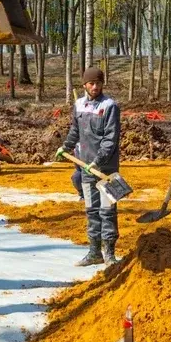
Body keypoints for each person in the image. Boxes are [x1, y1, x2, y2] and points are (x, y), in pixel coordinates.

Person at [61, 67, 122, 266]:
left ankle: (110, 254)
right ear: (84, 85)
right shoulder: (79, 105)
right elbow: (75, 130)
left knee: (107, 210)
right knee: (91, 209)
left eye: (98, 83)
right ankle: (94, 252)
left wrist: (98, 161)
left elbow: (110, 139)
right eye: (91, 83)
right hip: (85, 169)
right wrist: (66, 147)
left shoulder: (109, 106)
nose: (95, 87)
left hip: (106, 171)